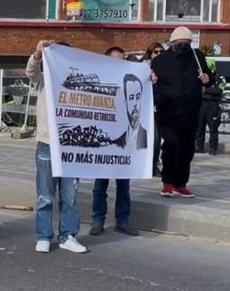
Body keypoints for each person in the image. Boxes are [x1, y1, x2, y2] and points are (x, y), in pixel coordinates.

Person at [26, 40, 87, 254]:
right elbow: (31, 71)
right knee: (45, 194)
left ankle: (67, 235)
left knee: (70, 196)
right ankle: (44, 236)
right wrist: (38, 52)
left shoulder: (80, 83)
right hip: (47, 145)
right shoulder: (44, 80)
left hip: (72, 148)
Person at [151, 26, 212, 198]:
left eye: (186, 43)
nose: (183, 46)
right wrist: (153, 81)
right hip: (168, 111)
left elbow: (207, 76)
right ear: (172, 43)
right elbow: (150, 81)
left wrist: (207, 78)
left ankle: (181, 183)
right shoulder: (160, 60)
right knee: (171, 145)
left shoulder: (197, 56)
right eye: (180, 43)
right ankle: (168, 182)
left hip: (191, 110)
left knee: (187, 148)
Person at [89, 47, 139, 237]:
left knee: (123, 186)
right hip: (104, 142)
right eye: (116, 60)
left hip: (124, 144)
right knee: (100, 186)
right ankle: (97, 220)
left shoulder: (130, 81)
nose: (120, 63)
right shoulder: (100, 81)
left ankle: (122, 221)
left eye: (123, 60)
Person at [144, 42, 165, 176]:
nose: (159, 54)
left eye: (161, 51)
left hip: (162, 109)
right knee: (154, 139)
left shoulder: (166, 68)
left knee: (159, 140)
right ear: (150, 53)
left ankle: (154, 166)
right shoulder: (145, 68)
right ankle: (149, 166)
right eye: (156, 51)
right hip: (148, 110)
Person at [195, 58, 222, 156]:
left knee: (213, 129)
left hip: (213, 107)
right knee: (199, 128)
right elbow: (196, 91)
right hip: (201, 106)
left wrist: (204, 92)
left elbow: (218, 91)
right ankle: (199, 147)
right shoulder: (200, 77)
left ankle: (213, 148)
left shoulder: (219, 78)